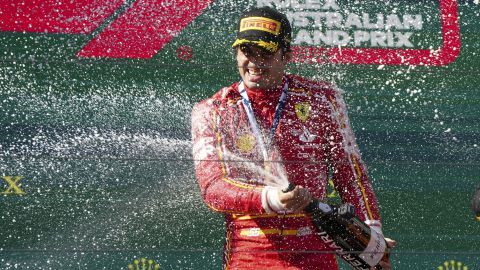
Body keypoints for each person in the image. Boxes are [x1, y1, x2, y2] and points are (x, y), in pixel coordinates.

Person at [191, 6, 396, 270]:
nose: (253, 62)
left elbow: (350, 172)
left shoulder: (322, 99)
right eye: (246, 51)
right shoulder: (213, 110)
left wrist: (371, 231)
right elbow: (213, 188)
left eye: (264, 52)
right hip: (249, 252)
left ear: (287, 55)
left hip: (314, 246)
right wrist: (272, 198)